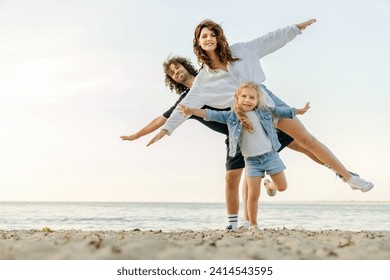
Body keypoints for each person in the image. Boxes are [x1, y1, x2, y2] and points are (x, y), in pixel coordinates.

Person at [147, 18, 374, 194]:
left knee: (308, 141)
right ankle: (252, 211)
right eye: (204, 35)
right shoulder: (204, 79)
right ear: (198, 42)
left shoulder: (239, 51)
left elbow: (268, 40)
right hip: (250, 120)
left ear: (218, 37)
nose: (209, 38)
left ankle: (350, 178)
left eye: (212, 34)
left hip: (267, 103)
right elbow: (184, 106)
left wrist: (294, 29)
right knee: (274, 160)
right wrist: (166, 130)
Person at [121, 56, 297, 229]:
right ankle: (234, 223)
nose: (177, 72)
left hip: (252, 125)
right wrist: (136, 135)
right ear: (172, 80)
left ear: (185, 66)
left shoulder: (209, 75)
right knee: (232, 178)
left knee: (299, 142)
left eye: (178, 68)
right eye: (173, 73)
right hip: (234, 136)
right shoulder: (186, 100)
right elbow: (162, 119)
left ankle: (256, 209)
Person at [180, 81, 311, 231]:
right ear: (237, 98)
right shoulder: (231, 116)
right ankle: (253, 225)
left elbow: (282, 112)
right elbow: (210, 114)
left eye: (252, 98)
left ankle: (269, 185)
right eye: (244, 96)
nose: (247, 100)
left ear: (257, 101)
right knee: (253, 194)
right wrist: (191, 110)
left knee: (282, 187)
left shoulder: (264, 111)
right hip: (251, 162)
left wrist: (299, 111)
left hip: (270, 157)